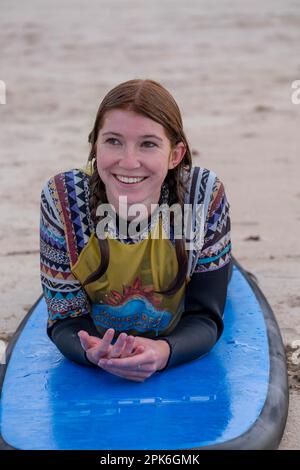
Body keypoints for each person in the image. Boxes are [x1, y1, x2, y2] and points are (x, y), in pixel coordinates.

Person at [39, 78, 232, 383]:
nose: (128, 162)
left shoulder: (202, 195)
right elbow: (65, 317)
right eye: (113, 140)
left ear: (175, 155)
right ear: (95, 145)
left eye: (148, 144)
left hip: (173, 333)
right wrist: (90, 350)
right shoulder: (63, 199)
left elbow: (206, 316)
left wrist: (164, 351)